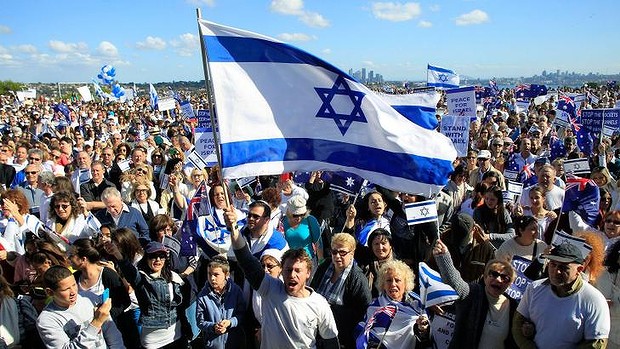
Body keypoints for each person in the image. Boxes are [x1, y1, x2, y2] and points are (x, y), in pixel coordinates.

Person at [223, 205, 339, 348]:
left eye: (298, 270)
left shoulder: (320, 304)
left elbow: (331, 342)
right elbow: (246, 261)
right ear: (281, 271)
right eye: (288, 269)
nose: (292, 275)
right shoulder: (269, 288)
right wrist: (233, 229)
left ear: (308, 273)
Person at [513, 242, 610, 348]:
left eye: (564, 268)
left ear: (579, 270)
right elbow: (517, 324)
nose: (556, 271)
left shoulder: (594, 300)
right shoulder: (534, 288)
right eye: (553, 265)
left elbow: (596, 343)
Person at [433, 239, 519, 349]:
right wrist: (443, 257)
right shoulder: (473, 293)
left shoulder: (513, 307)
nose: (498, 280)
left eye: (505, 278)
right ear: (486, 276)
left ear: (510, 284)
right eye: (494, 274)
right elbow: (455, 282)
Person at [104, 240, 186, 349]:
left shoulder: (173, 277)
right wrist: (117, 254)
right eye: (153, 256)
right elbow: (130, 271)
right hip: (154, 341)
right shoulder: (142, 278)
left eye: (161, 256)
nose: (158, 260)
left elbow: (179, 308)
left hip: (176, 336)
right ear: (146, 258)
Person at [36, 265, 124, 349]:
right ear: (50, 292)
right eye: (66, 289)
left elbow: (110, 331)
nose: (73, 292)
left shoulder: (88, 297)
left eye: (74, 285)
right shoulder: (47, 320)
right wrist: (96, 323)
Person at [311, 233, 371, 348]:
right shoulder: (324, 267)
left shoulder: (357, 278)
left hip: (342, 338)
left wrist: (332, 309)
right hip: (317, 332)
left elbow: (364, 311)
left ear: (352, 253)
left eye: (342, 252)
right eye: (334, 252)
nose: (337, 256)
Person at [354, 259, 431, 349]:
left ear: (406, 283)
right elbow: (362, 332)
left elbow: (426, 340)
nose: (393, 284)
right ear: (383, 284)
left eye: (397, 280)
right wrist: (372, 346)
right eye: (389, 280)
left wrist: (422, 330)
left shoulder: (419, 306)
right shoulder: (375, 307)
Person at [69, 238, 131, 324]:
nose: (68, 258)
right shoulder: (75, 278)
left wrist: (105, 314)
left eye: (71, 255)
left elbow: (124, 302)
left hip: (112, 329)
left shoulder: (107, 275)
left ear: (83, 259)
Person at [196, 256, 246, 349]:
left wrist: (230, 322)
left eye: (216, 274)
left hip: (234, 343)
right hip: (213, 345)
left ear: (226, 275)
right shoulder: (202, 296)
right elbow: (200, 322)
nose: (212, 278)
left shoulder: (236, 291)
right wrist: (213, 327)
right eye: (209, 274)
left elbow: (242, 314)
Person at [283, 195, 323, 266]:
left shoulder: (310, 220)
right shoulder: (282, 221)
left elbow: (318, 242)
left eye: (302, 214)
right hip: (289, 262)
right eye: (295, 215)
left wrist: (321, 261)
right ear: (289, 212)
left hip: (308, 261)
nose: (299, 218)